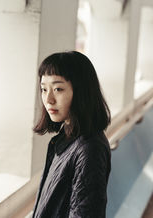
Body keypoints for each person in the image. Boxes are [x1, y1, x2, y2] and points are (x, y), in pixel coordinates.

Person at [32, 51, 111, 218]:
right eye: (44, 89)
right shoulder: (66, 138)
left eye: (58, 89)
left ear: (81, 92)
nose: (48, 99)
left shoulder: (90, 149)